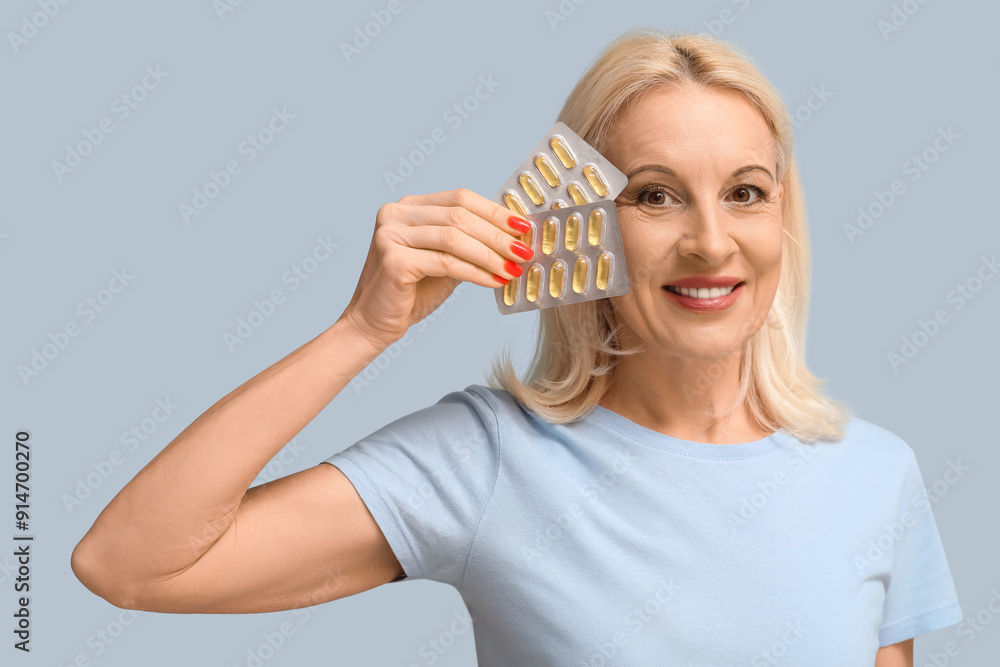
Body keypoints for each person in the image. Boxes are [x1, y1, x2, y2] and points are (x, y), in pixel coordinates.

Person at [71, 28, 962, 666]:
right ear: (583, 226)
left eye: (744, 192)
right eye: (654, 196)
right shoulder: (486, 458)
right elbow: (129, 564)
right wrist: (365, 330)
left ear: (782, 217)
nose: (710, 242)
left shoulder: (875, 474)